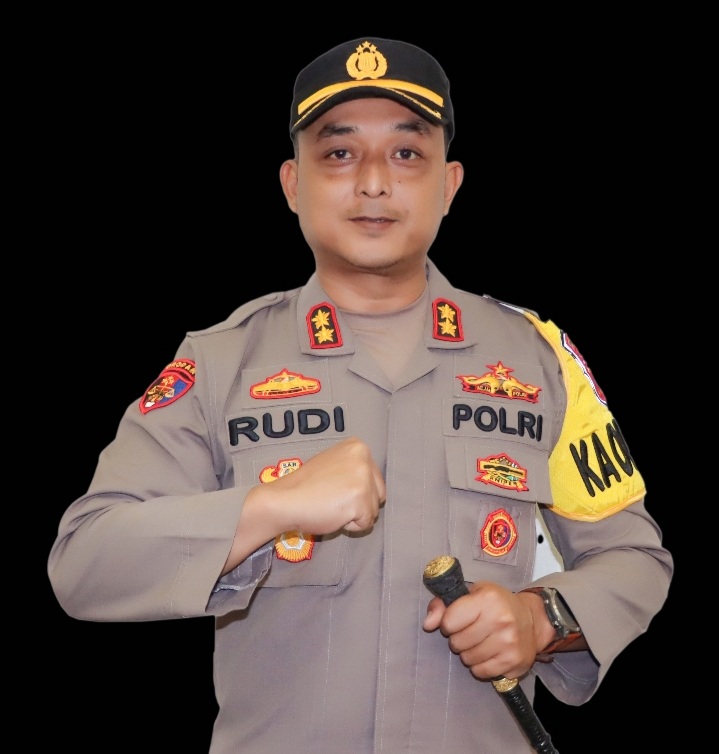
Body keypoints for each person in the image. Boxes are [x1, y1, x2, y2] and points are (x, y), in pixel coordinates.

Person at [48, 36, 673, 753]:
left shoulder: (538, 359)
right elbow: (85, 561)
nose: (373, 183)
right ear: (292, 184)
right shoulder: (219, 363)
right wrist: (267, 507)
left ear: (450, 184)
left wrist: (542, 620)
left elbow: (634, 557)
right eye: (339, 153)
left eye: (406, 153)